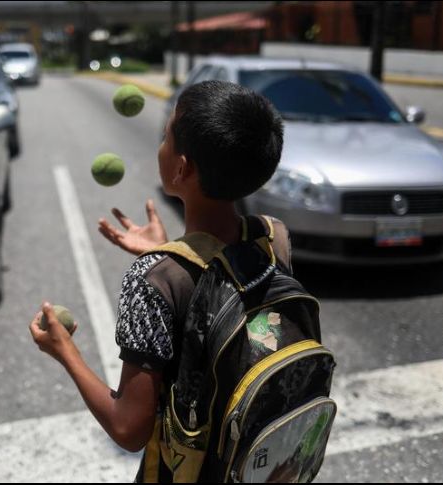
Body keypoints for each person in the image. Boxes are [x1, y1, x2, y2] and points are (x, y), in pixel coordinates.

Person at [29, 80, 290, 482]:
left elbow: (128, 429)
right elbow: (229, 294)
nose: (161, 146)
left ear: (182, 167)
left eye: (166, 137)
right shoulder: (275, 237)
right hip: (259, 464)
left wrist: (64, 351)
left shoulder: (153, 281)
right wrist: (174, 251)